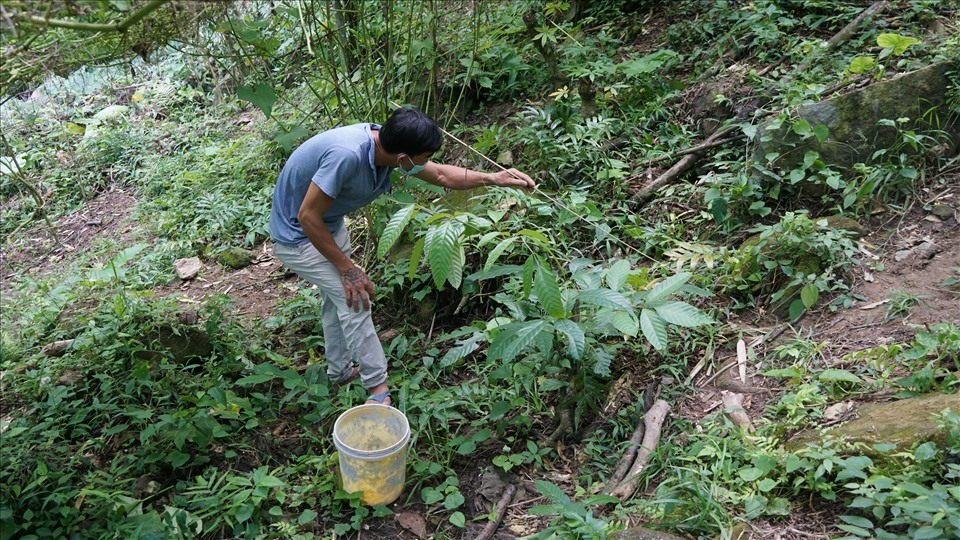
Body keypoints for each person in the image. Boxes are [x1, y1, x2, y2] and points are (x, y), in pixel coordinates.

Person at [268, 106, 535, 406]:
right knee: (355, 298)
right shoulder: (347, 155)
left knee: (338, 300)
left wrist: (494, 178)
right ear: (404, 159)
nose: (428, 162)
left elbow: (442, 175)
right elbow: (307, 216)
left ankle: (339, 371)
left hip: (328, 226)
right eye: (425, 157)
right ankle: (377, 389)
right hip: (298, 238)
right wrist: (348, 269)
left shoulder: (387, 145)